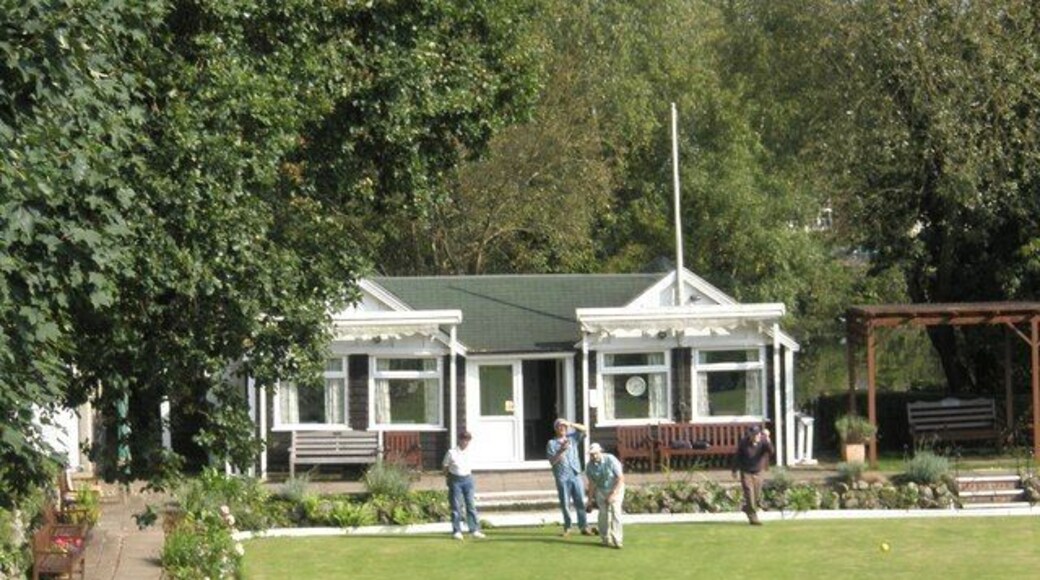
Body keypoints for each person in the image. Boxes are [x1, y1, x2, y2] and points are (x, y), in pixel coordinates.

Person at [546, 418, 592, 537]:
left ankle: (584, 526)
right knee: (565, 503)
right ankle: (568, 527)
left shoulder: (572, 438)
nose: (562, 428)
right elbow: (552, 461)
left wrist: (570, 424)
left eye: (564, 426)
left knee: (580, 501)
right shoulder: (552, 443)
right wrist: (561, 451)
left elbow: (585, 429)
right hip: (562, 476)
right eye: (560, 426)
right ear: (556, 429)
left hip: (575, 474)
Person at [442, 431, 485, 540]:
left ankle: (474, 530)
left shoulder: (470, 451)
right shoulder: (451, 452)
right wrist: (448, 478)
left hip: (468, 479)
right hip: (455, 480)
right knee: (456, 506)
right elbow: (445, 467)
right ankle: (457, 531)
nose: (465, 442)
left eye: (467, 440)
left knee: (471, 505)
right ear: (459, 440)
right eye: (464, 439)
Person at [731, 425, 774, 526]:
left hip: (758, 471)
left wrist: (768, 440)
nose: (756, 437)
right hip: (746, 471)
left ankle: (747, 508)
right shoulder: (743, 443)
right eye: (754, 435)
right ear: (750, 435)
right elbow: (737, 457)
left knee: (756, 495)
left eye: (757, 434)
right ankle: (753, 518)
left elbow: (771, 451)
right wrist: (734, 470)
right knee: (749, 493)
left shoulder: (763, 441)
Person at [585, 442, 624, 549]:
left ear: (600, 451)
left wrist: (612, 495)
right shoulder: (589, 466)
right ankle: (605, 538)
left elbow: (620, 478)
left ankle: (617, 540)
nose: (593, 456)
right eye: (591, 454)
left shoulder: (610, 459)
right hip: (601, 490)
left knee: (616, 513)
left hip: (616, 488)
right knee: (603, 514)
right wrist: (589, 501)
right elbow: (591, 484)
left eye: (595, 453)